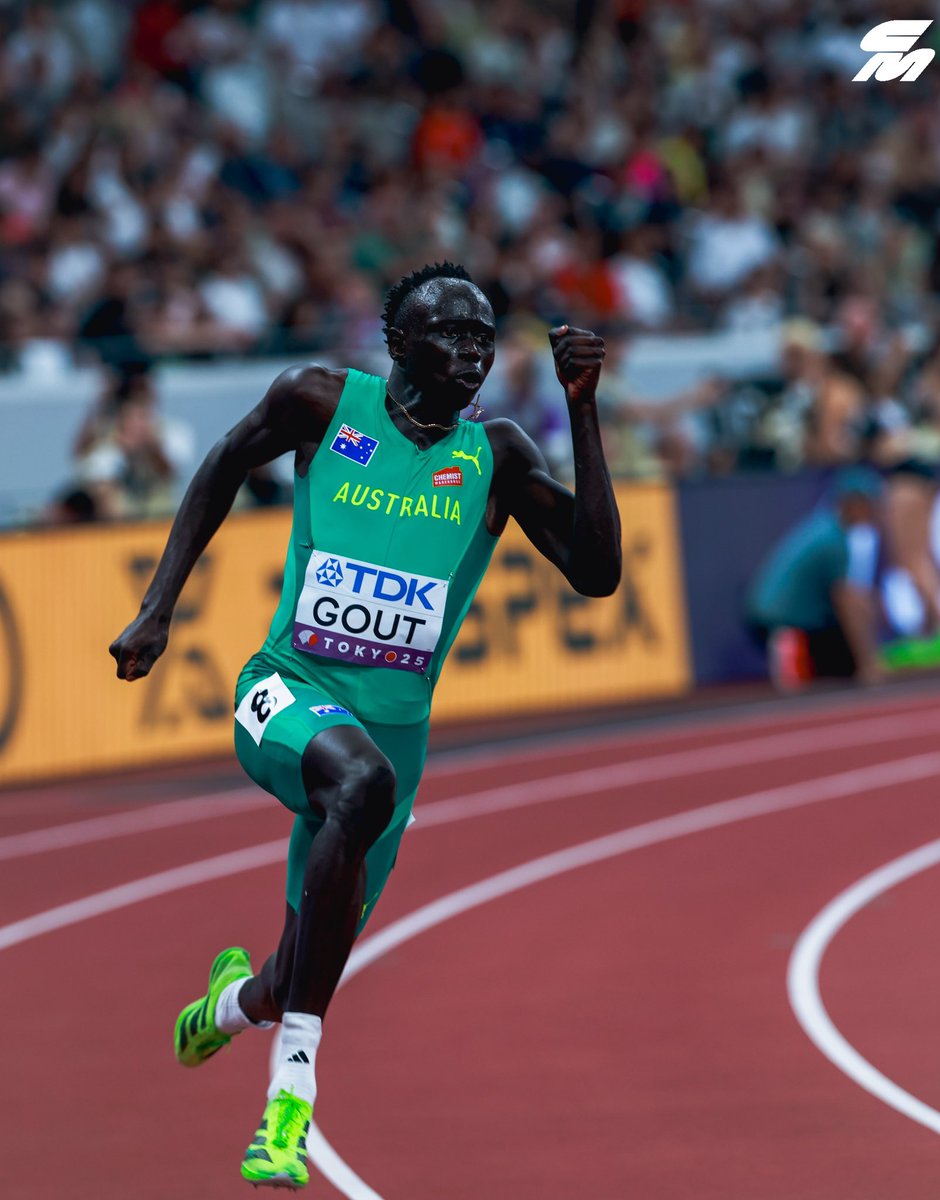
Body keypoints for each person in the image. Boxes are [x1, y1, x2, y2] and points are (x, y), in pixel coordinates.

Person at [108, 261, 621, 1190]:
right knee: (359, 785)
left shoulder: (495, 456)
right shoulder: (319, 402)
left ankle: (225, 1009)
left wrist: (582, 409)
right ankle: (291, 1104)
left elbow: (596, 573)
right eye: (450, 333)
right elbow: (222, 464)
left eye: (483, 335)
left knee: (298, 965)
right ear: (397, 343)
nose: (472, 349)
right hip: (285, 691)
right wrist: (159, 605)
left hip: (395, 741)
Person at [746, 468, 884, 689]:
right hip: (783, 622)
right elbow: (847, 602)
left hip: (775, 616)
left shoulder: (825, 527)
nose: (875, 511)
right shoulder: (833, 541)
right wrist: (867, 663)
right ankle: (790, 650)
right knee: (843, 662)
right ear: (852, 503)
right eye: (870, 504)